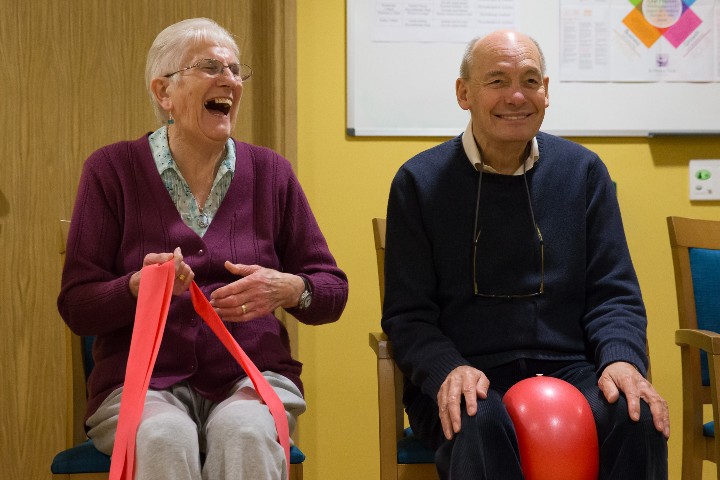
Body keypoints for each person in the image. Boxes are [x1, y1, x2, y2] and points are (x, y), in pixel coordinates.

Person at [58, 18, 348, 480]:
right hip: (141, 384)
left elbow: (331, 291)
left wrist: (288, 288)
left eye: (235, 70)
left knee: (245, 432)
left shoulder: (272, 172)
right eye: (210, 67)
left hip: (250, 377)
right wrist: (136, 288)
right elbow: (77, 306)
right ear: (163, 92)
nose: (229, 80)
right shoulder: (111, 170)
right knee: (164, 436)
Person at [381, 30, 669, 479]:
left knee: (638, 415)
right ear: (464, 93)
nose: (516, 96)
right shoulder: (419, 182)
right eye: (497, 81)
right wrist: (448, 369)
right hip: (466, 370)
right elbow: (408, 315)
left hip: (572, 367)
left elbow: (614, 294)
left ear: (547, 92)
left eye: (530, 81)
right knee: (478, 420)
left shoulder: (584, 173)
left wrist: (620, 359)